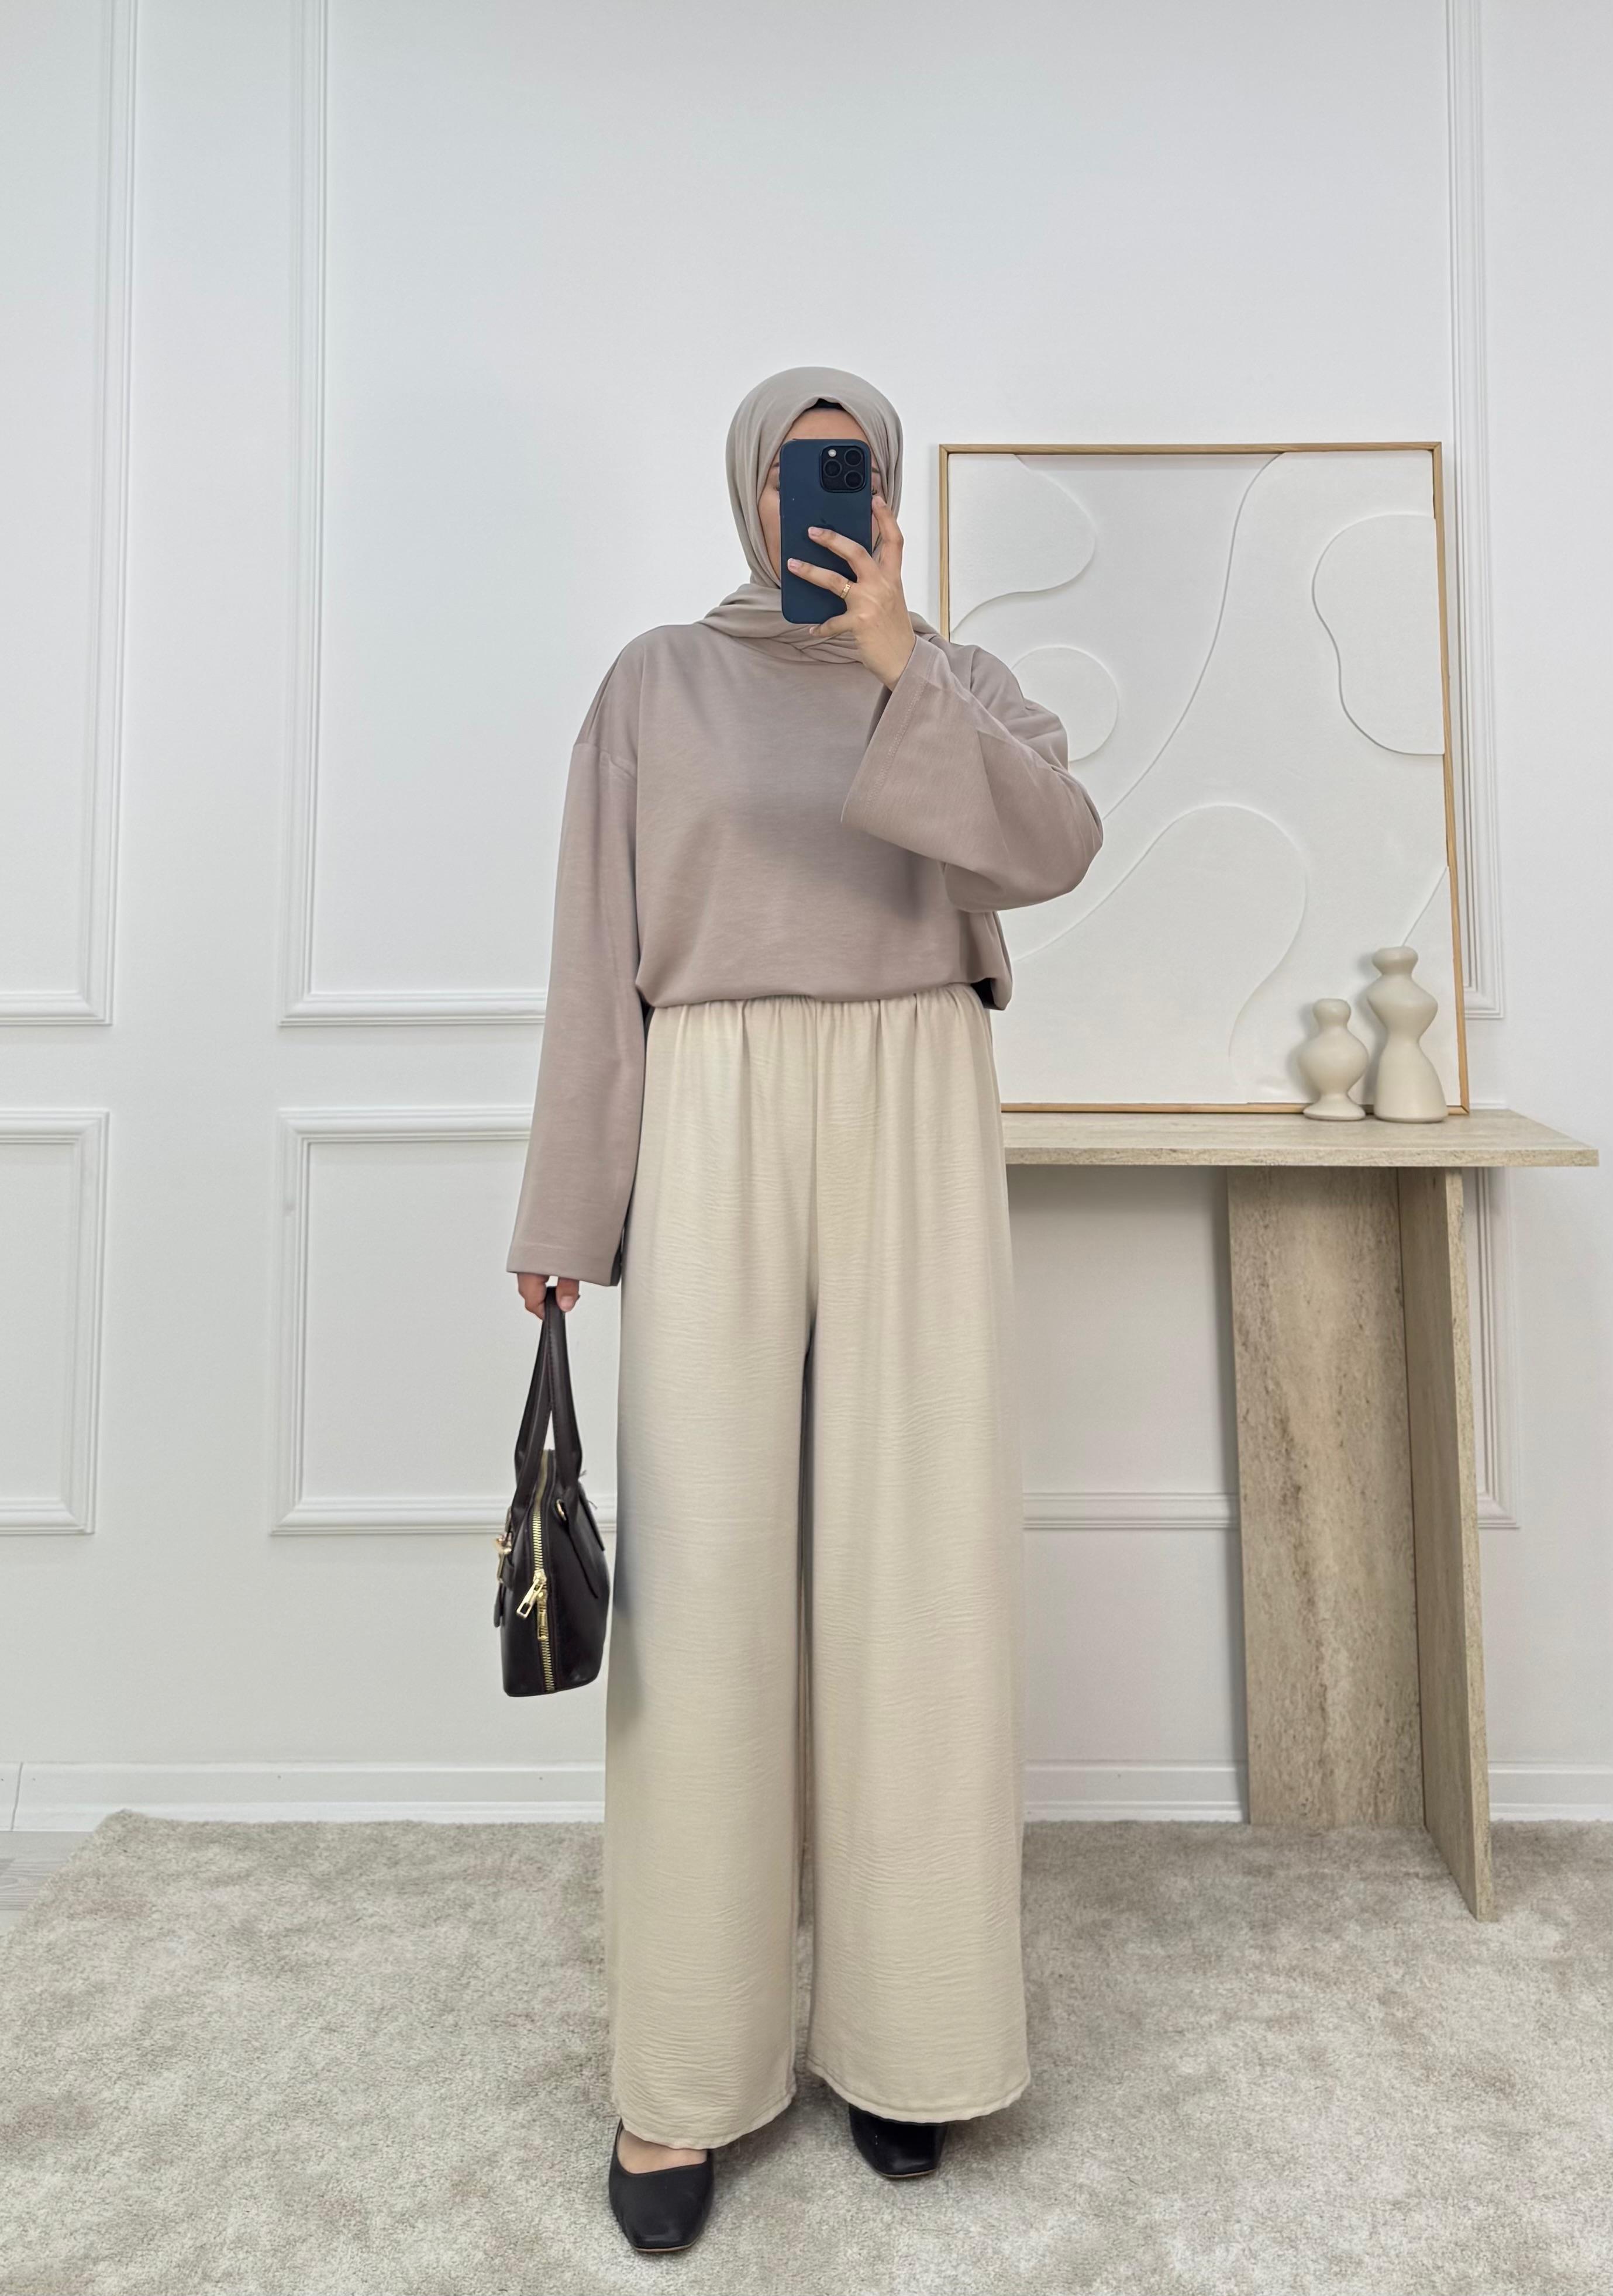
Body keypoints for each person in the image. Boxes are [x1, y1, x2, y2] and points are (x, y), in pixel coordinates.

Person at [506, 364, 1103, 2255]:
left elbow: (1055, 847)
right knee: (703, 1588)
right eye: (794, 470)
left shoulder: (956, 677)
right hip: (712, 1111)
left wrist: (897, 659)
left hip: (916, 1094)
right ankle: (681, 2080)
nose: (816, 499)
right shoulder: (653, 686)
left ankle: (910, 2042)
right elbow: (596, 963)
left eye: (848, 471)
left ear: (888, 493)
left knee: (917, 1572)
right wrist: (567, 1211)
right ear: (749, 488)